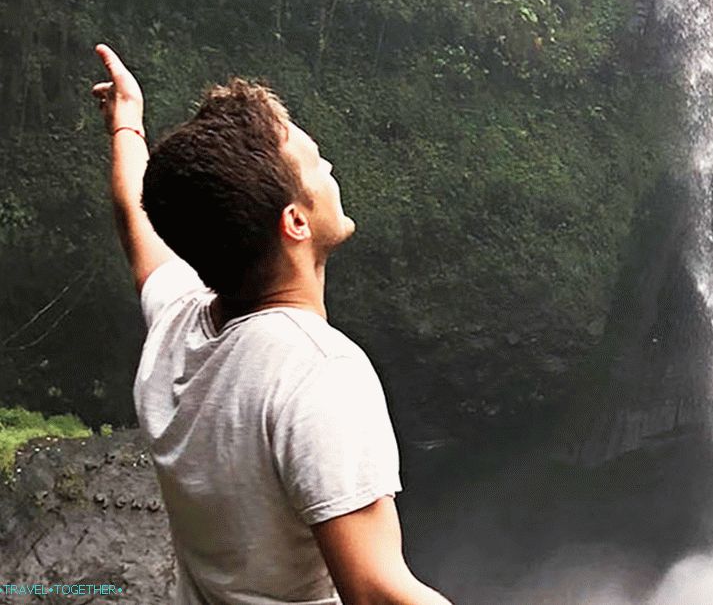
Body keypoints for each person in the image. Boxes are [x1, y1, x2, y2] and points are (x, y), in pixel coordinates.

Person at [92, 44, 452, 605]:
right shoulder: (317, 373)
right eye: (316, 162)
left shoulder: (177, 326)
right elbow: (376, 591)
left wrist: (127, 124)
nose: (330, 167)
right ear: (295, 221)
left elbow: (136, 220)